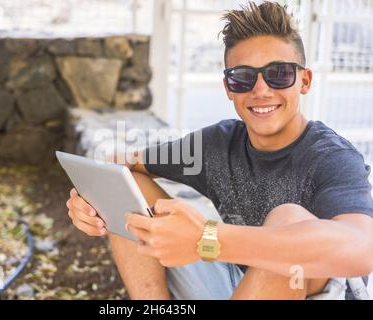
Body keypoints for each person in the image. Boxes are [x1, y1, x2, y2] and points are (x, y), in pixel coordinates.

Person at [66, 1, 373, 300]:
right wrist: (90, 201)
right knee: (128, 186)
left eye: (279, 73)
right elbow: (126, 167)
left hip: (301, 288)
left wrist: (208, 238)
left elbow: (363, 248)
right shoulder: (217, 145)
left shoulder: (331, 156)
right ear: (228, 88)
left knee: (288, 227)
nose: (261, 90)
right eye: (243, 77)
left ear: (304, 81)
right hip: (236, 282)